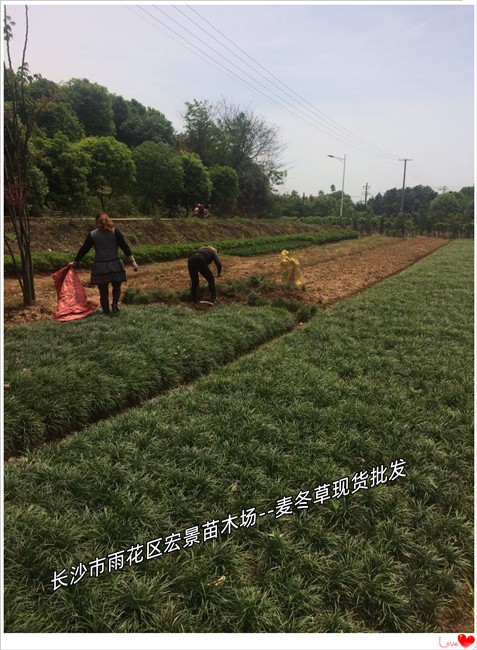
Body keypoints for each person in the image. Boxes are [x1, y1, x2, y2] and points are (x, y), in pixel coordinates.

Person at [68, 212, 138, 315]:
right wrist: (133, 262)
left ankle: (106, 311)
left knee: (103, 291)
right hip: (115, 265)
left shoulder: (93, 234)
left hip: (101, 267)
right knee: (116, 287)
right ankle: (114, 305)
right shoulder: (115, 232)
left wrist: (75, 261)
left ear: (97, 221)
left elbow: (84, 249)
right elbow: (125, 247)